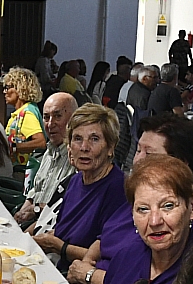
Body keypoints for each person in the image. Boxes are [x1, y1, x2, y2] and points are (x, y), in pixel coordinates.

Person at [68, 114, 193, 284]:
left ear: (180, 162)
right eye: (138, 150)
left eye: (149, 154)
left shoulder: (185, 222)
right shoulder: (140, 198)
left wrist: (87, 276)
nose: (137, 160)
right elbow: (103, 239)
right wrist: (84, 267)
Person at [88, 156, 193, 284]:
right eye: (143, 209)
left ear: (192, 207)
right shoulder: (125, 257)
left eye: (167, 206)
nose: (154, 221)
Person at [32, 104, 127, 271]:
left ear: (111, 148)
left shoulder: (119, 189)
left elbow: (108, 257)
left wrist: (60, 247)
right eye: (77, 139)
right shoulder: (75, 180)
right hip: (56, 267)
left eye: (94, 139)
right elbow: (63, 230)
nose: (84, 147)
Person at [15, 92, 76, 228]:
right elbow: (36, 191)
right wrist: (20, 214)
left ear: (73, 119)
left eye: (58, 116)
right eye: (46, 117)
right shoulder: (49, 151)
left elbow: (63, 211)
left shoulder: (77, 159)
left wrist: (36, 210)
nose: (50, 124)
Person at [3, 66, 46, 162]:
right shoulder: (21, 112)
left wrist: (14, 147)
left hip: (24, 169)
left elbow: (41, 142)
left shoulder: (27, 112)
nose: (4, 92)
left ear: (20, 88)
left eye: (7, 87)